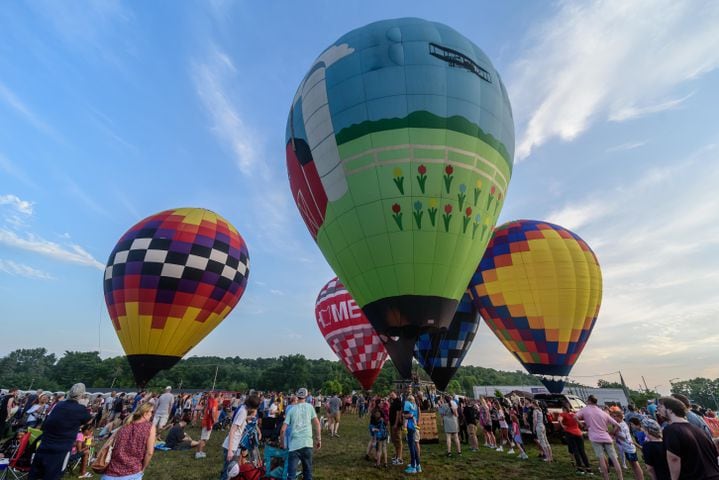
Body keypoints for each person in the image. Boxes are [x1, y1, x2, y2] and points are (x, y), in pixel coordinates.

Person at [29, 383, 93, 480]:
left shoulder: (59, 405)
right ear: (81, 395)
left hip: (45, 444)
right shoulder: (80, 409)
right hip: (61, 449)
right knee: (53, 475)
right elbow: (89, 420)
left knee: (36, 474)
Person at [657, 396, 719, 480]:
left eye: (660, 406)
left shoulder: (671, 430)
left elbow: (674, 459)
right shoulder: (697, 429)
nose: (658, 409)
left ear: (670, 410)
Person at [102, 402, 156, 480]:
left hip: (111, 472)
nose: (152, 414)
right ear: (145, 412)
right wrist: (143, 468)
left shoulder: (125, 425)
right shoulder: (150, 427)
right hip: (132, 472)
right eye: (152, 412)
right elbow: (149, 452)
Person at [576, 395, 623, 480]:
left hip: (595, 437)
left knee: (601, 459)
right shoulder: (602, 412)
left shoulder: (585, 409)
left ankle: (606, 478)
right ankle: (620, 478)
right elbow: (618, 425)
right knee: (614, 459)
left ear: (589, 401)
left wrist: (582, 425)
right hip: (606, 437)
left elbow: (575, 416)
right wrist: (612, 433)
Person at [279, 388, 321, 480]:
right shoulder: (310, 407)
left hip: (294, 446)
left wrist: (282, 444)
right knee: (308, 472)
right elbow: (317, 423)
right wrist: (318, 439)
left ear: (297, 396)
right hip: (307, 443)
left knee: (291, 475)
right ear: (306, 396)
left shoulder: (291, 410)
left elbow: (282, 430)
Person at [220, 394, 260, 480]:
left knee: (228, 470)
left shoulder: (243, 408)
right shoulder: (243, 412)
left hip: (233, 445)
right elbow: (232, 430)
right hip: (231, 446)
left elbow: (239, 420)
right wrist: (230, 450)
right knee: (229, 472)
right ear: (253, 407)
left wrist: (248, 417)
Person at [612, 410, 644, 480]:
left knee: (635, 465)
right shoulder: (621, 423)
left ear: (619, 416)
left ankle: (640, 478)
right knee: (633, 465)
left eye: (614, 416)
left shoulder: (621, 425)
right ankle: (638, 478)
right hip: (627, 447)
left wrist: (616, 434)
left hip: (629, 448)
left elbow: (624, 437)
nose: (613, 418)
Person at [559, 404, 591, 474]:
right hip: (579, 433)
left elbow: (559, 420)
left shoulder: (563, 414)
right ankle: (588, 469)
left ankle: (580, 469)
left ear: (564, 409)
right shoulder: (574, 414)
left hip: (570, 433)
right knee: (582, 451)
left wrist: (562, 425)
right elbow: (579, 422)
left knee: (575, 451)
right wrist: (582, 426)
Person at [196, 392, 219, 459]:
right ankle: (198, 453)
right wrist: (214, 420)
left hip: (206, 421)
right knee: (203, 439)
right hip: (208, 422)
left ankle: (200, 451)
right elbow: (213, 411)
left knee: (204, 438)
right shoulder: (214, 402)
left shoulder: (209, 402)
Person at [402, 394, 421, 474]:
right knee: (414, 446)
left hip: (410, 427)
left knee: (412, 447)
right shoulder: (415, 405)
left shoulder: (407, 404)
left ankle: (413, 467)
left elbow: (408, 415)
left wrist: (404, 415)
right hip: (413, 426)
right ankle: (418, 465)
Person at [388, 392, 404, 465]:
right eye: (390, 395)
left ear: (396, 394)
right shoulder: (393, 401)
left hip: (396, 425)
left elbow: (398, 414)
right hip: (392, 424)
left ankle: (400, 458)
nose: (391, 395)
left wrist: (395, 424)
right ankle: (396, 455)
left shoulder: (398, 402)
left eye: (392, 394)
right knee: (394, 440)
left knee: (398, 440)